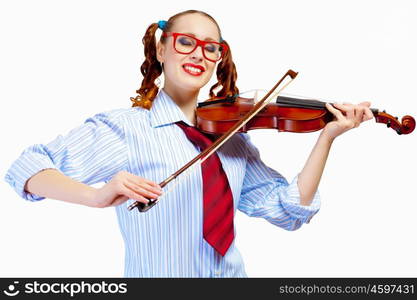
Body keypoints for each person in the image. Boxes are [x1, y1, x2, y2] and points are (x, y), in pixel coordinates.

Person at [4, 9, 374, 277]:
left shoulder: (233, 139)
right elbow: (27, 167)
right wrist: (96, 196)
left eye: (211, 47)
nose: (199, 53)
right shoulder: (125, 129)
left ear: (218, 59)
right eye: (186, 42)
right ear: (162, 50)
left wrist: (327, 136)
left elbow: (287, 211)